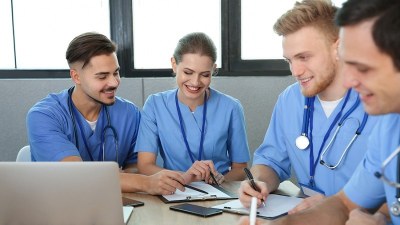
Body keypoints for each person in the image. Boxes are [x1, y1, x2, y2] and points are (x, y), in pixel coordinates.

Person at [238, 0, 400, 224]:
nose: (295, 71)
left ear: (337, 48)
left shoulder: (381, 109)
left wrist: (377, 216)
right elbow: (345, 204)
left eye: (304, 57)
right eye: (289, 60)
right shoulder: (390, 127)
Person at [26, 32, 185, 195]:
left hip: (118, 205)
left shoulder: (129, 113)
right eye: (102, 76)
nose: (114, 82)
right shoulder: (44, 116)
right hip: (60, 208)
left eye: (115, 73)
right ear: (76, 76)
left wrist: (126, 177)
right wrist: (145, 183)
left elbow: (136, 167)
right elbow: (75, 176)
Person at [135, 32, 250, 185]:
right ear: (174, 64)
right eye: (188, 72)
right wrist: (184, 177)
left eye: (204, 75)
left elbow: (241, 168)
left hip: (220, 191)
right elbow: (145, 166)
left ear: (213, 70)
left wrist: (221, 180)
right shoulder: (155, 105)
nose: (195, 82)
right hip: (173, 190)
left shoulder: (231, 108)